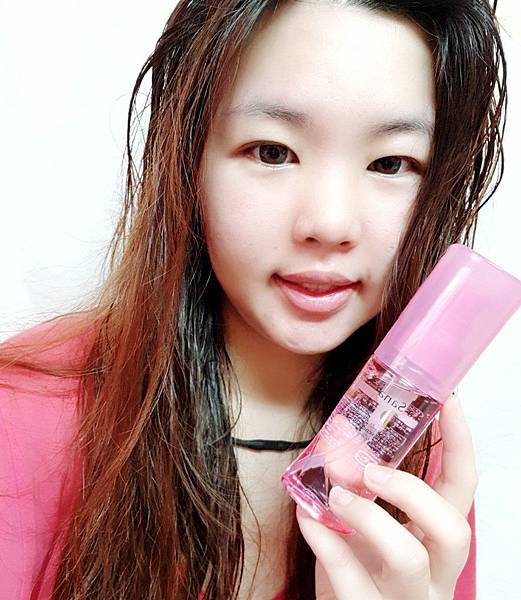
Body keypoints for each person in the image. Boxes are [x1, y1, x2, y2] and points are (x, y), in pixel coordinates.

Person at [0, 1, 507, 598]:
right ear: (188, 160)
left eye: (391, 163)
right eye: (272, 151)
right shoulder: (24, 412)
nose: (330, 223)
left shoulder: (414, 449)